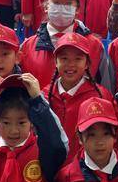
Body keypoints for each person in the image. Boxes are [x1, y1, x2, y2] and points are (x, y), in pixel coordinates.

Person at [20, 0, 113, 89]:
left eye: (68, 3)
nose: (62, 8)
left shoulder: (94, 46)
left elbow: (105, 89)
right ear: (46, 7)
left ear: (77, 9)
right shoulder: (27, 48)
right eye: (56, 2)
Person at [46, 32, 114, 161]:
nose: (71, 64)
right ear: (55, 61)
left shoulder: (100, 96)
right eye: (64, 58)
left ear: (87, 63)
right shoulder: (44, 96)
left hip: (85, 169)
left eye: (78, 59)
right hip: (50, 167)